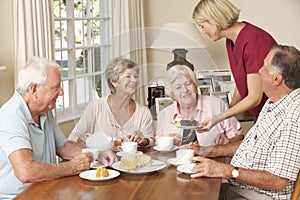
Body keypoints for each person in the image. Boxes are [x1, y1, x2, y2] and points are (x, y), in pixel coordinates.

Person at [190, 45, 300, 200]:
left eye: (264, 66)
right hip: (240, 188)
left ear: (277, 79)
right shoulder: (274, 102)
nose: (259, 70)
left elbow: (278, 180)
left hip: (258, 196)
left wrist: (226, 170)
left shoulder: (294, 117)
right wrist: (207, 151)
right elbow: (250, 145)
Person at [0, 57, 116, 199]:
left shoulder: (44, 111)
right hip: (19, 196)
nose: (61, 92)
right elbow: (26, 171)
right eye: (56, 87)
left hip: (46, 189)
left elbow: (63, 147)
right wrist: (71, 167)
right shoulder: (11, 116)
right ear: (34, 89)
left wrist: (97, 154)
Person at [192, 0, 278, 132]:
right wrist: (231, 105)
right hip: (262, 113)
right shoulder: (231, 41)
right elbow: (243, 79)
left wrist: (219, 118)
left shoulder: (253, 41)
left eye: (202, 26)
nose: (203, 31)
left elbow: (255, 97)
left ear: (213, 20)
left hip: (277, 113)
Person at [68, 57, 154, 148]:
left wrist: (144, 141)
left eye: (136, 76)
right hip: (102, 161)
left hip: (132, 161)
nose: (134, 80)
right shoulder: (96, 107)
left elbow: (150, 141)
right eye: (128, 76)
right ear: (113, 81)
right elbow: (74, 136)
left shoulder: (143, 112)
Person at [156, 65, 243, 147]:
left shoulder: (216, 104)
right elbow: (156, 145)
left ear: (195, 85)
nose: (185, 90)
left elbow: (239, 137)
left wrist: (228, 141)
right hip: (176, 162)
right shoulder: (164, 115)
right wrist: (168, 142)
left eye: (188, 84)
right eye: (178, 87)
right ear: (172, 94)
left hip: (213, 160)